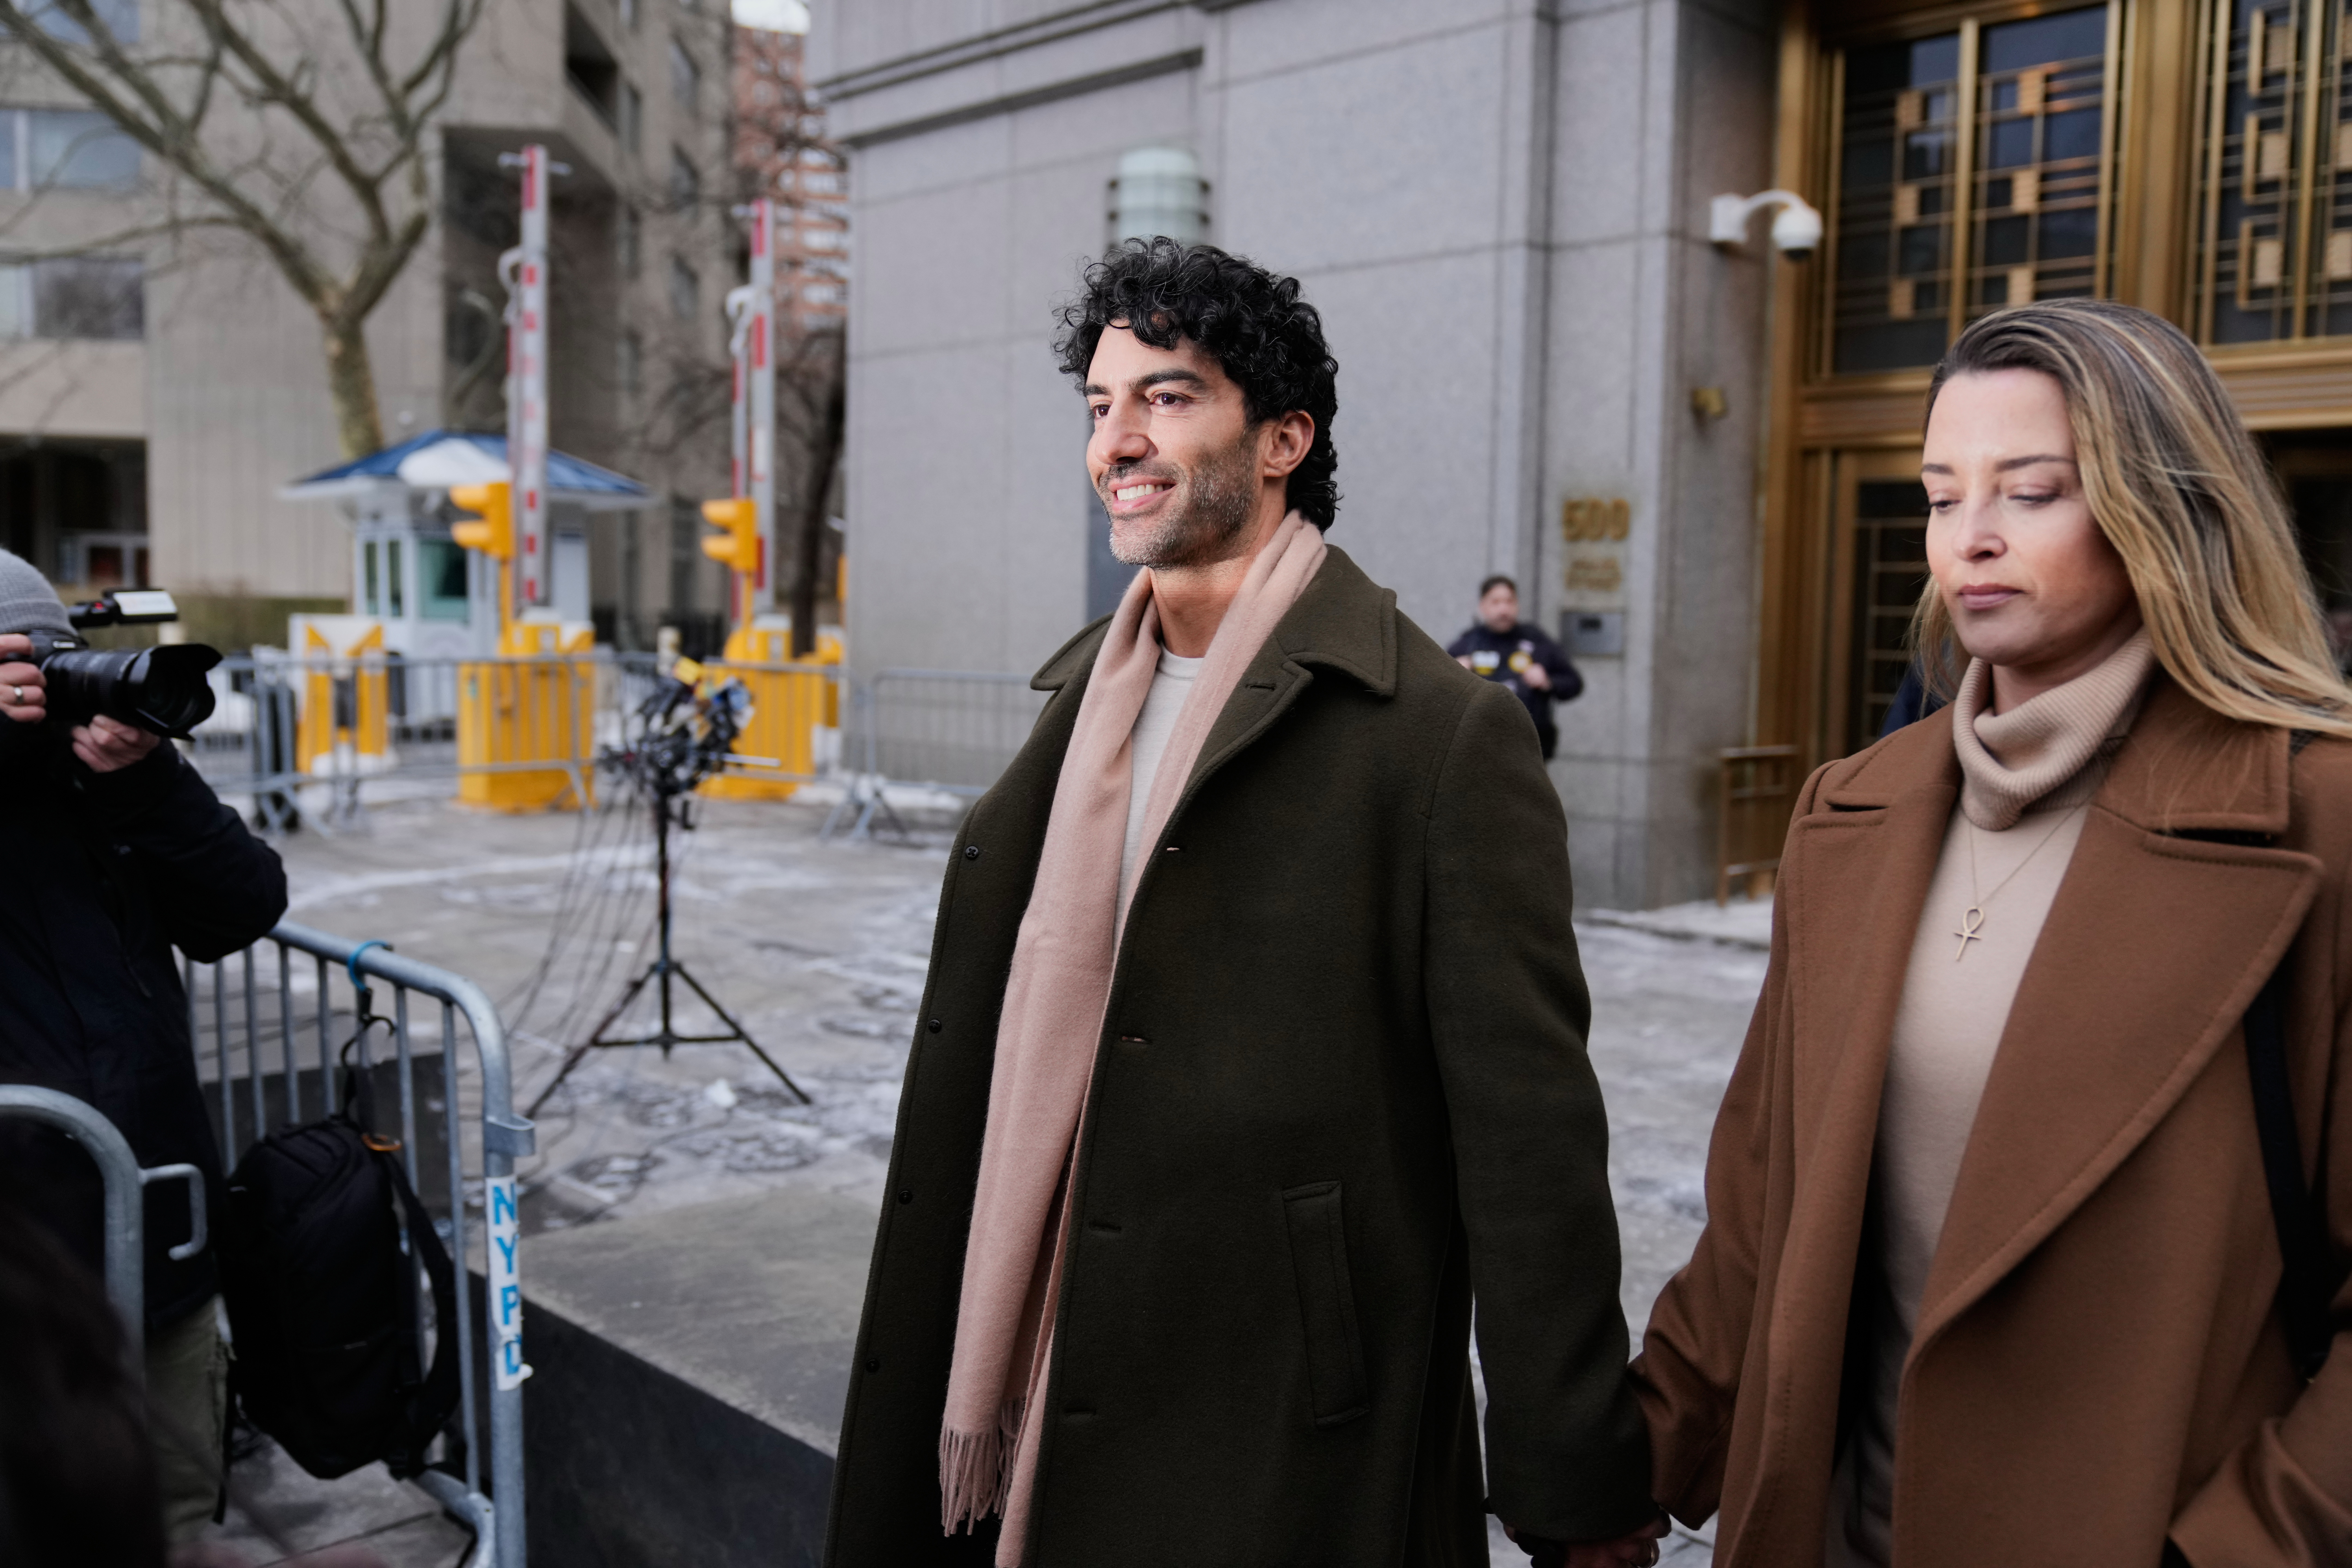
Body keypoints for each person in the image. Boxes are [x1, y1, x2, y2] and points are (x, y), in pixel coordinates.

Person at [824, 238, 1661, 1567]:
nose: (1118, 441)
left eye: (1167, 398)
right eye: (1101, 406)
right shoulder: (1077, 711)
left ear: (1283, 439)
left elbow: (1529, 1145)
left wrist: (1574, 1475)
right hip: (1041, 1367)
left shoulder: (1439, 738)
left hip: (1282, 1430)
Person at [1632, 298, 2352, 1566]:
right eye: (1940, 494)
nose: (1970, 537)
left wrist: (2241, 1549)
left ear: (2164, 508)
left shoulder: (2317, 821)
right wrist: (1635, 1459)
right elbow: (1757, 1213)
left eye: (2031, 492)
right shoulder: (1852, 810)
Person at [0, 551, 289, 1546]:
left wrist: (152, 781)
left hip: (155, 1227)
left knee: (172, 1512)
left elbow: (243, 906)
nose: (46, 687)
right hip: (20, 1269)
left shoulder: (104, 780)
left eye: (56, 659)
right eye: (20, 663)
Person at [1448, 575, 1582, 759]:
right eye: (1496, 602)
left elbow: (1574, 684)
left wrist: (1548, 682)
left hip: (1530, 750)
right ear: (1482, 606)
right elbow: (1436, 692)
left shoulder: (1536, 640)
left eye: (1509, 601)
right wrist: (1455, 675)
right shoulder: (1469, 644)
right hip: (1479, 750)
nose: (1504, 609)